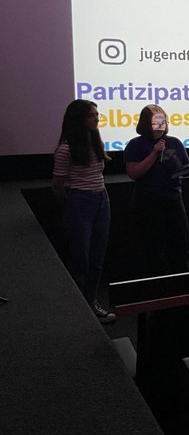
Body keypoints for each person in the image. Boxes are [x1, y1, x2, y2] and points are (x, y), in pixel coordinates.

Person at [52, 100, 116, 323]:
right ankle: (78, 310)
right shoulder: (66, 149)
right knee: (80, 258)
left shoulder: (94, 142)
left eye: (97, 114)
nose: (97, 118)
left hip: (101, 199)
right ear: (78, 118)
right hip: (80, 200)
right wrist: (70, 205)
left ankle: (91, 301)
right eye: (91, 115)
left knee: (97, 256)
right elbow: (58, 185)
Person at [124, 105, 189, 276]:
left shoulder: (175, 142)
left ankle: (181, 283)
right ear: (146, 123)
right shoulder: (136, 145)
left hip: (173, 199)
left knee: (180, 245)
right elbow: (133, 173)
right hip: (148, 202)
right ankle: (157, 286)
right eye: (156, 121)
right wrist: (154, 153)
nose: (161, 124)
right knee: (154, 248)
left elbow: (185, 166)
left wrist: (188, 170)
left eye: (163, 120)